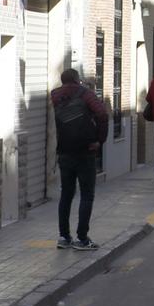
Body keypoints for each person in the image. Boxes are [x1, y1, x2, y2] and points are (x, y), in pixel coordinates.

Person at [50, 67, 108, 250]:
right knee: (86, 195)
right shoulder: (86, 94)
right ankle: (82, 238)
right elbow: (102, 114)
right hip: (85, 150)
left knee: (66, 194)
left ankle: (64, 237)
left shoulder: (55, 95)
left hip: (64, 151)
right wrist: (99, 140)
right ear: (76, 79)